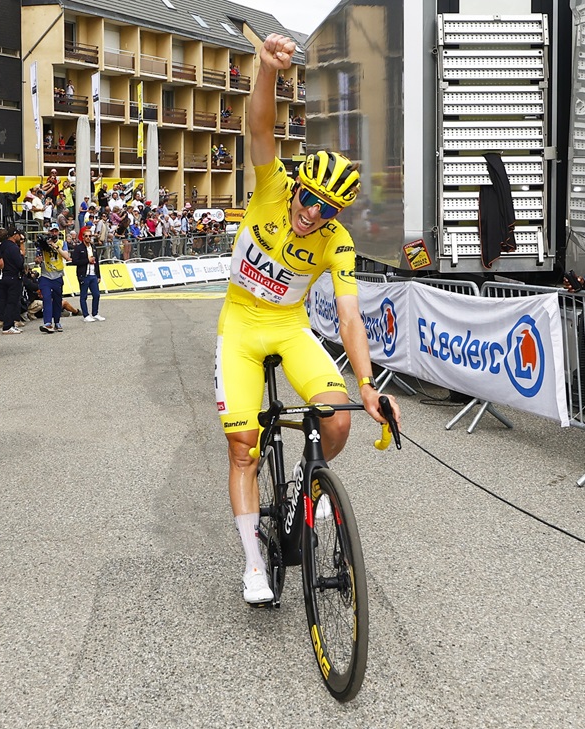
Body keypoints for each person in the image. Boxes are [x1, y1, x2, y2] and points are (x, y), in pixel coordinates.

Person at [218, 34, 401, 605]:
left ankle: (307, 484)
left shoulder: (337, 242)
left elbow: (349, 319)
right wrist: (268, 71)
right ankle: (254, 566)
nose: (310, 213)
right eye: (309, 199)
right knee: (244, 446)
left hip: (290, 326)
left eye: (327, 209)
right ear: (296, 188)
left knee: (340, 421)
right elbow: (261, 127)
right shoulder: (273, 184)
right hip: (241, 328)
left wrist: (369, 388)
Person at [36, 224, 71, 333]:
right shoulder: (43, 244)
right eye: (52, 231)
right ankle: (47, 323)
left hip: (58, 276)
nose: (54, 233)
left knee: (57, 300)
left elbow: (67, 257)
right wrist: (38, 259)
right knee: (46, 298)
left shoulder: (62, 243)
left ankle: (57, 321)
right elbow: (37, 259)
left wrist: (55, 246)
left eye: (56, 231)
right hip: (46, 276)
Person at [0, 226, 26, 335]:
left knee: (3, 300)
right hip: (13, 276)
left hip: (3, 276)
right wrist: (22, 256)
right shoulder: (13, 247)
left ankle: (5, 322)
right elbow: (19, 263)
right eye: (18, 234)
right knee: (12, 302)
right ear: (15, 235)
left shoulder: (2, 246)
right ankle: (8, 326)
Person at [71, 226, 104, 322]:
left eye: (90, 236)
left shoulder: (93, 247)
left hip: (93, 274)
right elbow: (75, 261)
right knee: (83, 296)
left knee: (96, 294)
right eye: (86, 236)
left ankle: (95, 313)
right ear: (83, 237)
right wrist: (87, 261)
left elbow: (97, 261)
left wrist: (98, 275)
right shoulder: (78, 248)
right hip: (84, 275)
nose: (88, 238)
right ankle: (86, 315)